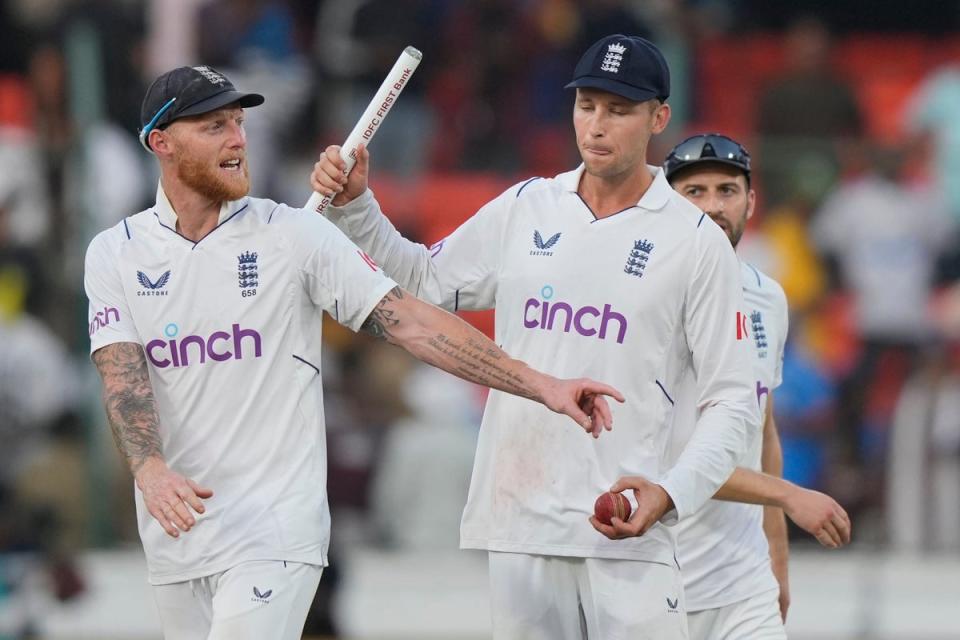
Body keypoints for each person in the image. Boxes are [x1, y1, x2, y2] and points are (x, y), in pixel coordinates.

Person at [84, 65, 623, 640]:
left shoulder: (293, 234)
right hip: (176, 529)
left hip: (274, 531)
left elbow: (413, 323)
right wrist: (150, 469)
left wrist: (540, 383)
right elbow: (123, 377)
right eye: (215, 126)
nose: (238, 139)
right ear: (160, 143)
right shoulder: (115, 253)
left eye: (239, 123)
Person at [313, 35, 759, 639]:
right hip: (521, 520)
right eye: (587, 106)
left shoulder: (697, 241)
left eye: (619, 110)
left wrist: (669, 494)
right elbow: (423, 279)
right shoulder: (528, 206)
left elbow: (733, 401)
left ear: (659, 118)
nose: (597, 126)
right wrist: (358, 206)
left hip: (630, 529)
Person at [660, 133, 851, 639]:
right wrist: (790, 496)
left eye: (727, 190)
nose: (713, 206)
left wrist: (777, 562)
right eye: (694, 191)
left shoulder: (768, 297)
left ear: (751, 200)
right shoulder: (642, 299)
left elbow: (760, 431)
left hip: (742, 587)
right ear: (665, 201)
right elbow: (678, 461)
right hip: (652, 579)